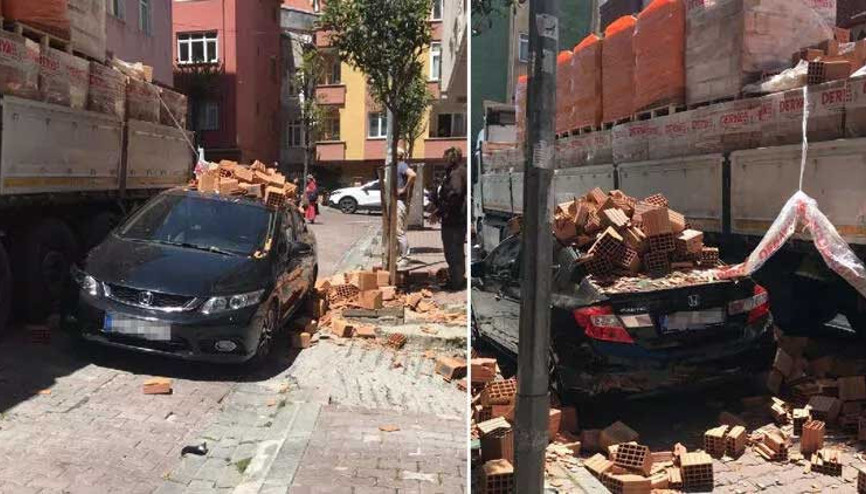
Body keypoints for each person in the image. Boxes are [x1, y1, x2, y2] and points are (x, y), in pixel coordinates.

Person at [433, 147, 467, 290]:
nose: (443, 161)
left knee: (452, 251)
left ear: (451, 159)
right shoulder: (459, 171)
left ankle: (456, 282)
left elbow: (455, 193)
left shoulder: (456, 174)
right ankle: (457, 279)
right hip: (456, 218)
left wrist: (441, 211)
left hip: (454, 219)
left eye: (445, 158)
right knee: (456, 251)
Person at [396, 148, 416, 268]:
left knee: (399, 232)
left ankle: (405, 257)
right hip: (396, 202)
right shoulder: (395, 167)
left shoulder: (401, 165)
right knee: (395, 232)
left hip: (399, 202)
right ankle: (398, 256)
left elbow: (413, 175)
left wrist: (403, 189)